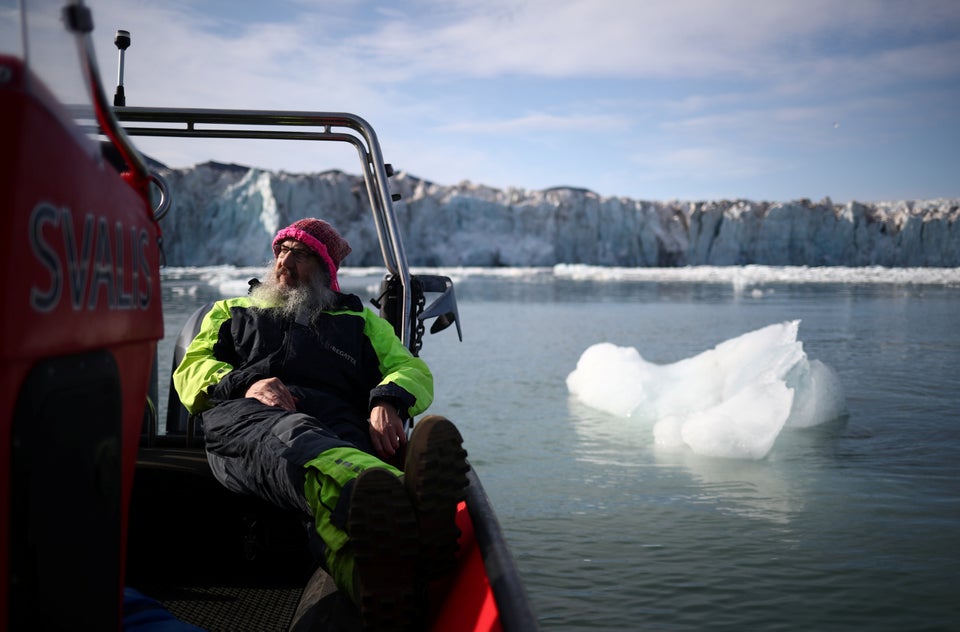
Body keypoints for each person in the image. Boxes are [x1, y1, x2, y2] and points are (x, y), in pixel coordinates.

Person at [172, 218, 469, 629]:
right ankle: (402, 497)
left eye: (302, 253)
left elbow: (410, 369)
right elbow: (192, 371)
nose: (285, 260)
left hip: (337, 426)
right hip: (246, 419)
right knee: (294, 437)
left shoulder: (358, 319)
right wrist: (248, 383)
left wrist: (388, 401)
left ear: (326, 269)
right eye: (282, 250)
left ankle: (372, 584)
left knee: (329, 505)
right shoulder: (232, 312)